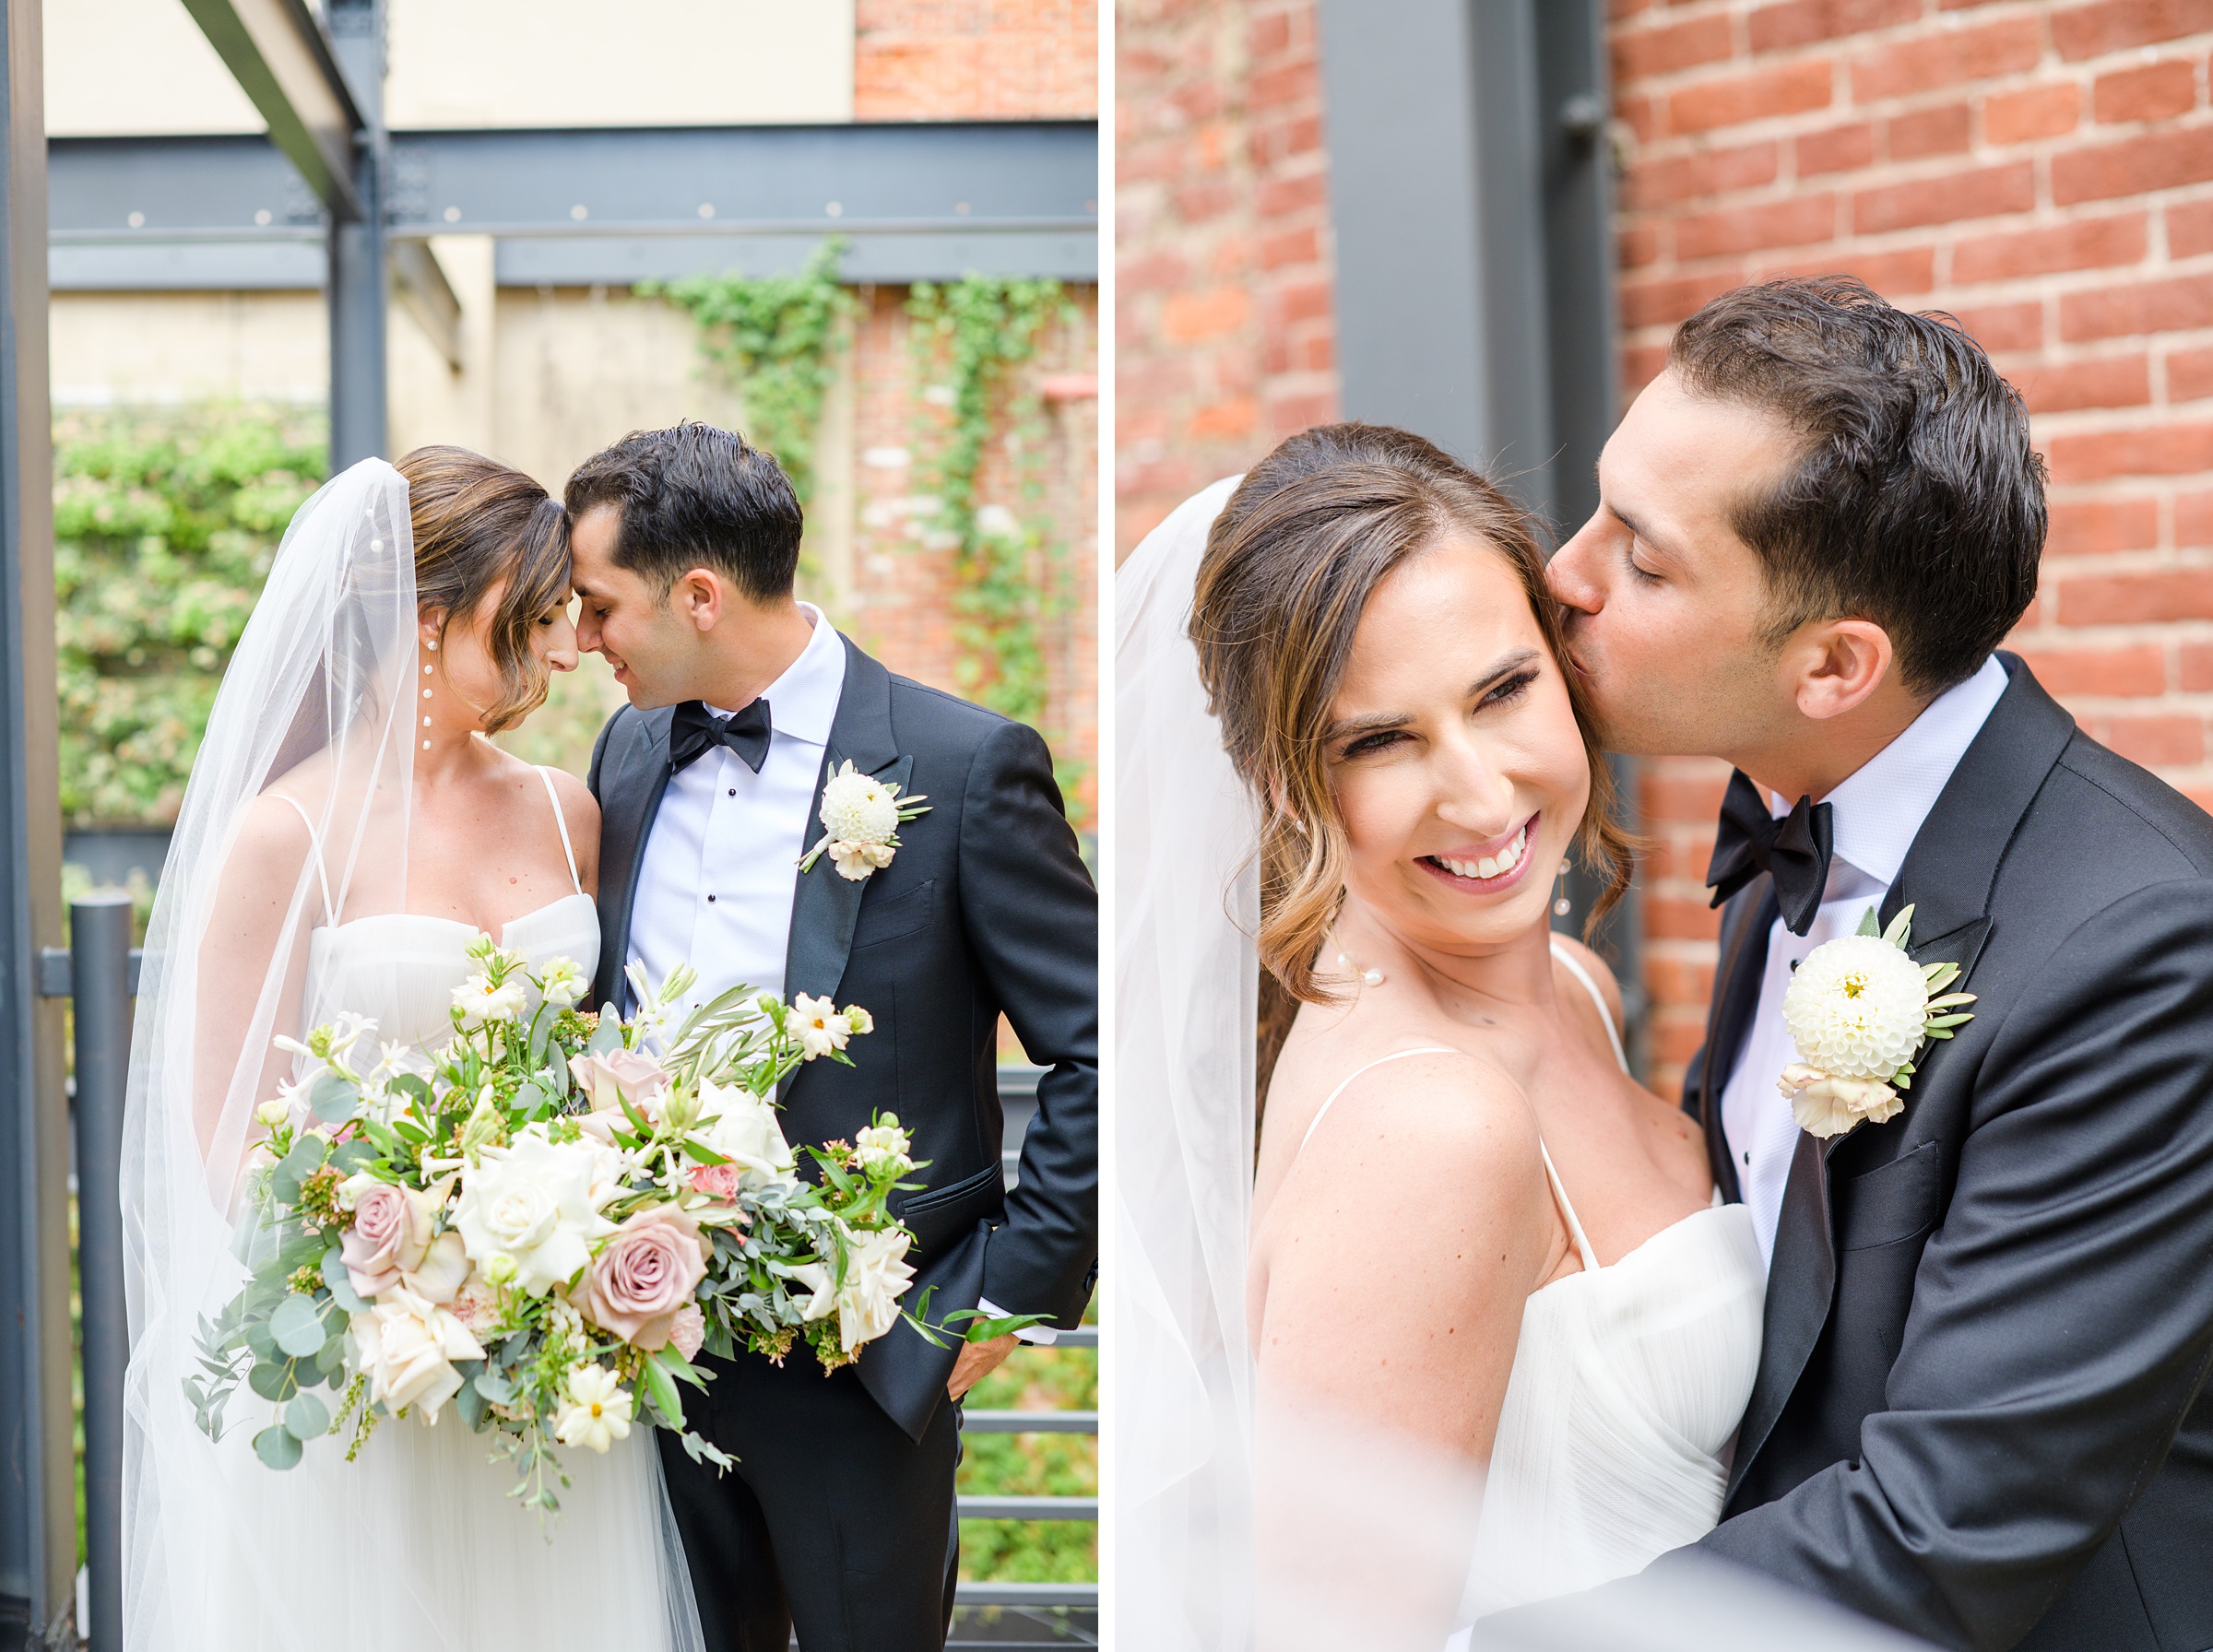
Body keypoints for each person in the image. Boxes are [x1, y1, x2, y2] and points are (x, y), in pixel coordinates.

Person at [1540, 276, 2213, 1651]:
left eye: (1645, 560)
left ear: (1836, 667)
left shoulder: (2148, 951)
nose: (1566, 570)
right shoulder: (1796, 817)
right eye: (1601, 502)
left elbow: (1948, 1523)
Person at [1115, 424, 1766, 1649]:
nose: (1478, 795)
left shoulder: (1572, 988)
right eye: (1379, 739)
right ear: (1279, 778)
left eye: (1503, 690)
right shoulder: (1429, 1126)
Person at [120, 449, 704, 1650]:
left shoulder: (565, 808)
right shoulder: (286, 835)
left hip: (549, 1369)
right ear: (430, 612)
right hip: (369, 1370)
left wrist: (581, 1221)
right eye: (538, 617)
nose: (564, 651)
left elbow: (588, 1066)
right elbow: (231, 1137)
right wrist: (409, 1268)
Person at [567, 421, 1098, 1652]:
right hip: (644, 1349)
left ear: (698, 596)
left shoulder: (966, 767)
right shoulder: (628, 750)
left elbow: (1091, 1048)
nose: (582, 639)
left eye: (601, 607)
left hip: (864, 1364)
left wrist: (1009, 1292)